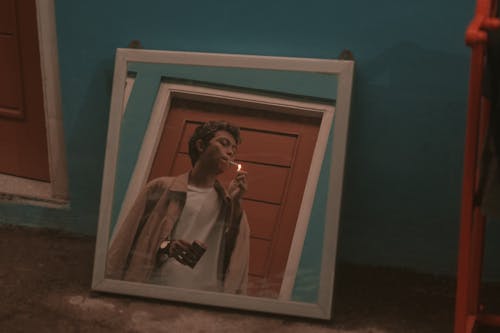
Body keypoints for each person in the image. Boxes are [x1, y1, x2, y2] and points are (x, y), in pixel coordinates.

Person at [106, 120, 250, 294]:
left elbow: (235, 254)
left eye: (234, 149)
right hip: (157, 288)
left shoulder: (229, 203)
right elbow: (128, 241)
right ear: (201, 145)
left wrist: (235, 201)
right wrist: (168, 246)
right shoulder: (160, 189)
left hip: (206, 298)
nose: (230, 152)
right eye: (224, 143)